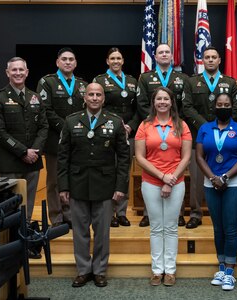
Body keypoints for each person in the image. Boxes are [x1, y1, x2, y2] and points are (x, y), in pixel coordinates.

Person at [57, 83, 130, 288]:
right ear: (85, 97)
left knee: (102, 232)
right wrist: (63, 186)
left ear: (104, 98)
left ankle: (99, 270)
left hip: (106, 186)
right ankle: (83, 270)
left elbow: (124, 158)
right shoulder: (71, 121)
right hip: (77, 184)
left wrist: (120, 187)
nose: (95, 98)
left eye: (99, 94)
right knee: (80, 231)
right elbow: (63, 158)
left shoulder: (115, 122)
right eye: (91, 94)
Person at [135, 87, 192, 286]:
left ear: (171, 102)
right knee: (156, 227)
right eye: (158, 99)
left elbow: (186, 157)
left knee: (171, 228)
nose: (162, 102)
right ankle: (157, 270)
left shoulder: (181, 125)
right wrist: (161, 177)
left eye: (165, 99)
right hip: (151, 182)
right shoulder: (145, 125)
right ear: (153, 102)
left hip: (176, 183)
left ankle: (171, 270)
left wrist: (172, 179)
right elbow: (140, 157)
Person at [195, 93, 237, 291]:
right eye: (219, 104)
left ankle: (230, 271)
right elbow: (200, 157)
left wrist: (225, 177)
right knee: (217, 228)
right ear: (214, 107)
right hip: (211, 182)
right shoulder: (204, 128)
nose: (223, 107)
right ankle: (220, 267)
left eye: (226, 104)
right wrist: (213, 178)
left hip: (235, 183)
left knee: (230, 228)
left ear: (232, 107)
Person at [182, 46, 237, 229]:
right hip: (199, 136)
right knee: (197, 176)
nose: (210, 60)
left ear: (219, 60)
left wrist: (218, 125)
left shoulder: (230, 83)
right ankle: (195, 213)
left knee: (225, 172)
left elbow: (236, 108)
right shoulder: (192, 82)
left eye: (214, 57)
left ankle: (225, 213)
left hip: (225, 137)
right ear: (202, 60)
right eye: (207, 57)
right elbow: (187, 107)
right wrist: (206, 127)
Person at [0, 56, 48, 226]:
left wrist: (34, 151)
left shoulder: (35, 97)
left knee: (28, 205)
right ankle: (12, 243)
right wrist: (23, 151)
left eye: (21, 69)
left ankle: (27, 239)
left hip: (32, 162)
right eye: (14, 70)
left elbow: (44, 127)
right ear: (7, 73)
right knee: (10, 206)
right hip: (9, 162)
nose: (18, 73)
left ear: (27, 72)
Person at [136, 43, 189, 227]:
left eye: (167, 52)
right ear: (155, 57)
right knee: (151, 168)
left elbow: (185, 105)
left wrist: (174, 124)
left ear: (172, 57)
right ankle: (147, 214)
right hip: (152, 127)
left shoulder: (183, 78)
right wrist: (153, 124)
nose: (164, 55)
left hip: (176, 128)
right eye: (161, 52)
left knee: (176, 167)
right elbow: (142, 103)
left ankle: (179, 213)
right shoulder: (145, 78)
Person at [37, 47, 87, 227]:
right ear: (57, 62)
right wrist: (66, 128)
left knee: (75, 180)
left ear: (75, 63)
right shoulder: (47, 82)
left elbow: (86, 111)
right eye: (64, 59)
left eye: (71, 59)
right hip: (55, 140)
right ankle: (57, 217)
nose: (67, 62)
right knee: (54, 181)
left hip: (78, 141)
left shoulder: (82, 85)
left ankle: (71, 216)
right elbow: (45, 110)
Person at [93, 47, 140, 227]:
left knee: (124, 172)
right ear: (107, 61)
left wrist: (131, 126)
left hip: (128, 133)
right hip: (108, 133)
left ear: (123, 61)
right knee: (108, 172)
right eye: (112, 58)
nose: (115, 61)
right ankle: (109, 212)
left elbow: (138, 109)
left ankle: (121, 212)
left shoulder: (131, 81)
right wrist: (116, 127)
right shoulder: (100, 80)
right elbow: (96, 105)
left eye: (118, 58)